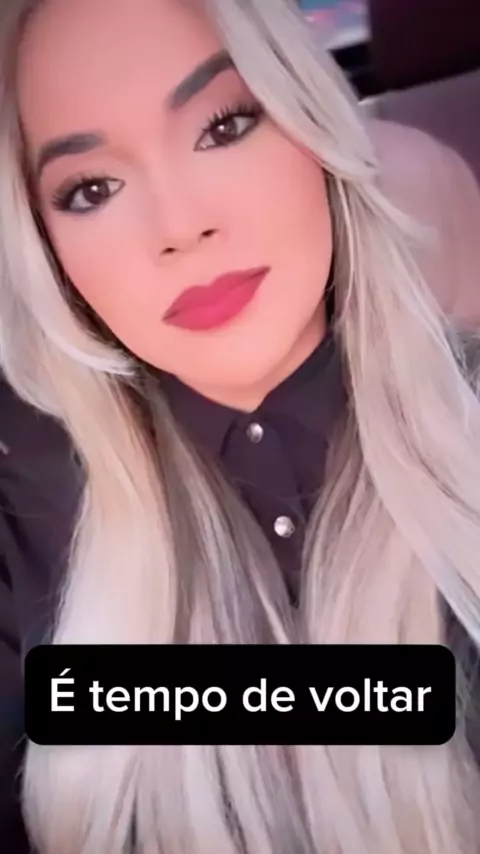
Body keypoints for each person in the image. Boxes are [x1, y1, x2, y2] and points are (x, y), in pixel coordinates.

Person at [1, 0, 480, 852]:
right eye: (92, 190)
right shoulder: (31, 514)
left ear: (311, 122)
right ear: (50, 255)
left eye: (223, 126)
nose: (180, 228)